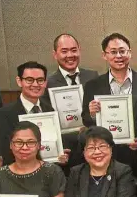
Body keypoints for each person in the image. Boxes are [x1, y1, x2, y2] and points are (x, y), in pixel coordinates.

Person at [82, 32, 137, 175]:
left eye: (122, 51)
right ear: (104, 55)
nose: (118, 56)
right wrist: (93, 114)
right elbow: (87, 120)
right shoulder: (92, 86)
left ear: (130, 53)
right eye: (113, 52)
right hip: (106, 157)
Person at [0, 61, 69, 166]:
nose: (35, 84)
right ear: (19, 81)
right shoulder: (5, 114)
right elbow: (6, 152)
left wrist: (59, 155)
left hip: (49, 172)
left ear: (45, 82)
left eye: (40, 80)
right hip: (20, 174)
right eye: (29, 80)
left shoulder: (50, 110)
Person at [42, 34, 99, 170]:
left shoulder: (93, 77)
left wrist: (92, 116)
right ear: (55, 54)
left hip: (93, 146)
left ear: (79, 50)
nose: (70, 55)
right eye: (64, 51)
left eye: (74, 50)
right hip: (66, 151)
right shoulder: (47, 84)